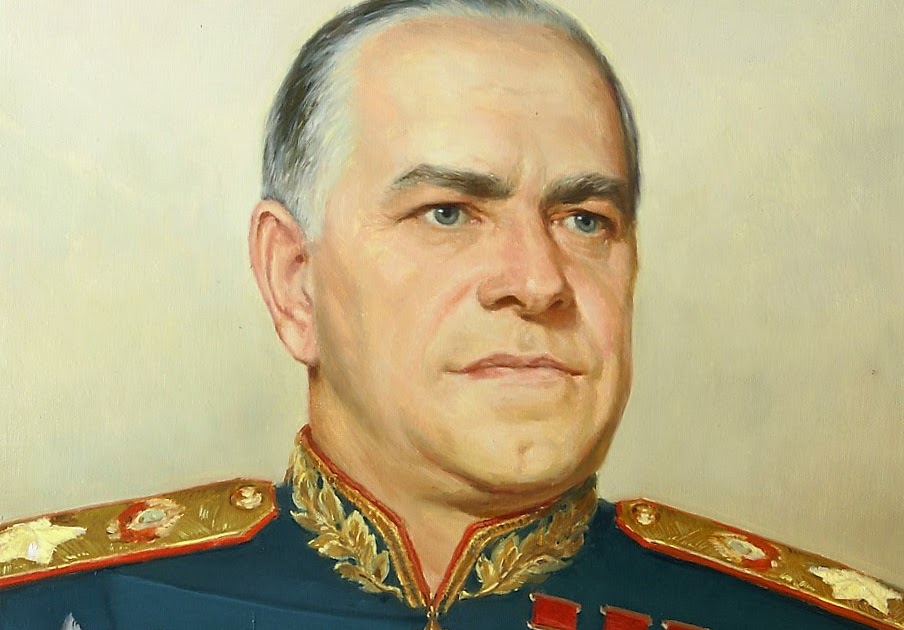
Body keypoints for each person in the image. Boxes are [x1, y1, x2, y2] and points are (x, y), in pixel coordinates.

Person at [1, 1, 901, 629]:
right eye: (448, 212)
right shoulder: (63, 610)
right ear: (293, 280)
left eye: (585, 219)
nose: (539, 282)